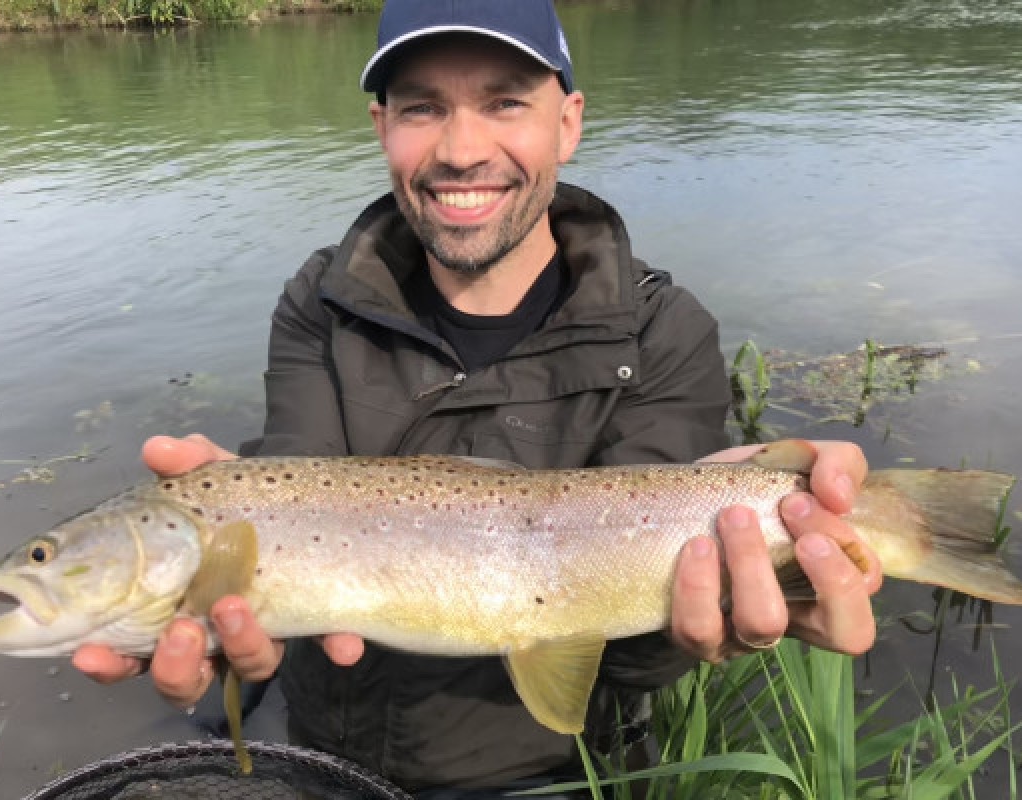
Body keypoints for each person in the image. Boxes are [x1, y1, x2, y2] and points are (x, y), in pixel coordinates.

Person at [74, 0, 881, 795]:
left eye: (505, 103)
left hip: (558, 772)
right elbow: (296, 476)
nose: (461, 150)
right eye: (423, 108)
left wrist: (716, 614)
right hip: (328, 751)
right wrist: (225, 547)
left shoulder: (664, 332)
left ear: (567, 123)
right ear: (381, 127)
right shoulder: (319, 300)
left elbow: (638, 659)